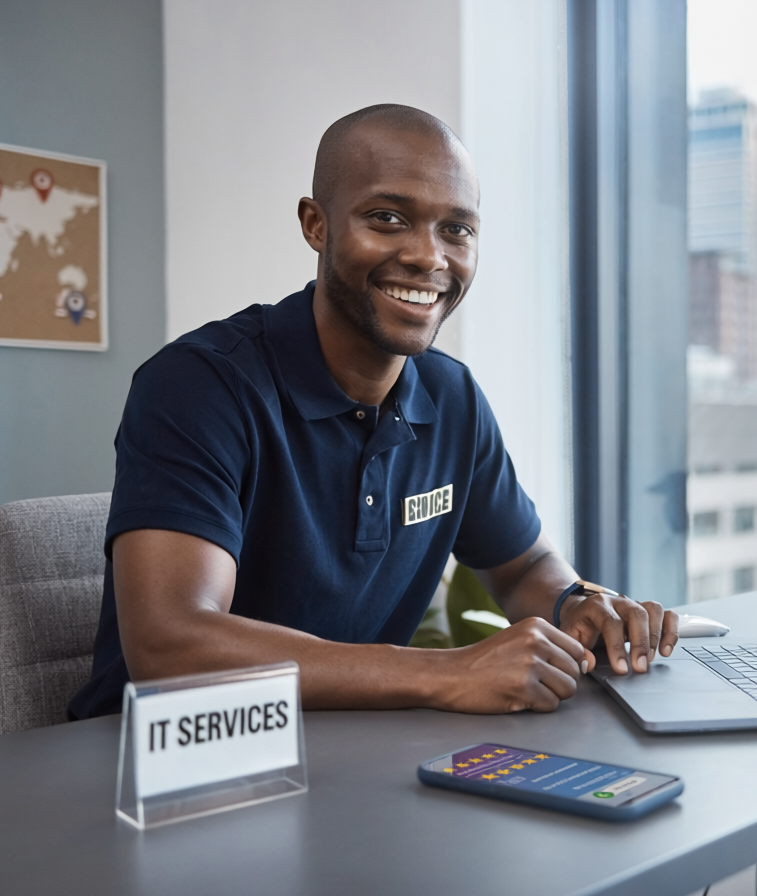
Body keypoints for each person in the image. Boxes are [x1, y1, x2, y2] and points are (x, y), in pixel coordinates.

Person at [69, 104, 678, 720]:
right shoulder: (199, 386)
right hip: (160, 772)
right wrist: (447, 671)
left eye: (457, 229)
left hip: (347, 758)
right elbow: (171, 645)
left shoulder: (452, 399)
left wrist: (576, 603)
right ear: (316, 224)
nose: (428, 256)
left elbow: (524, 565)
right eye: (387, 218)